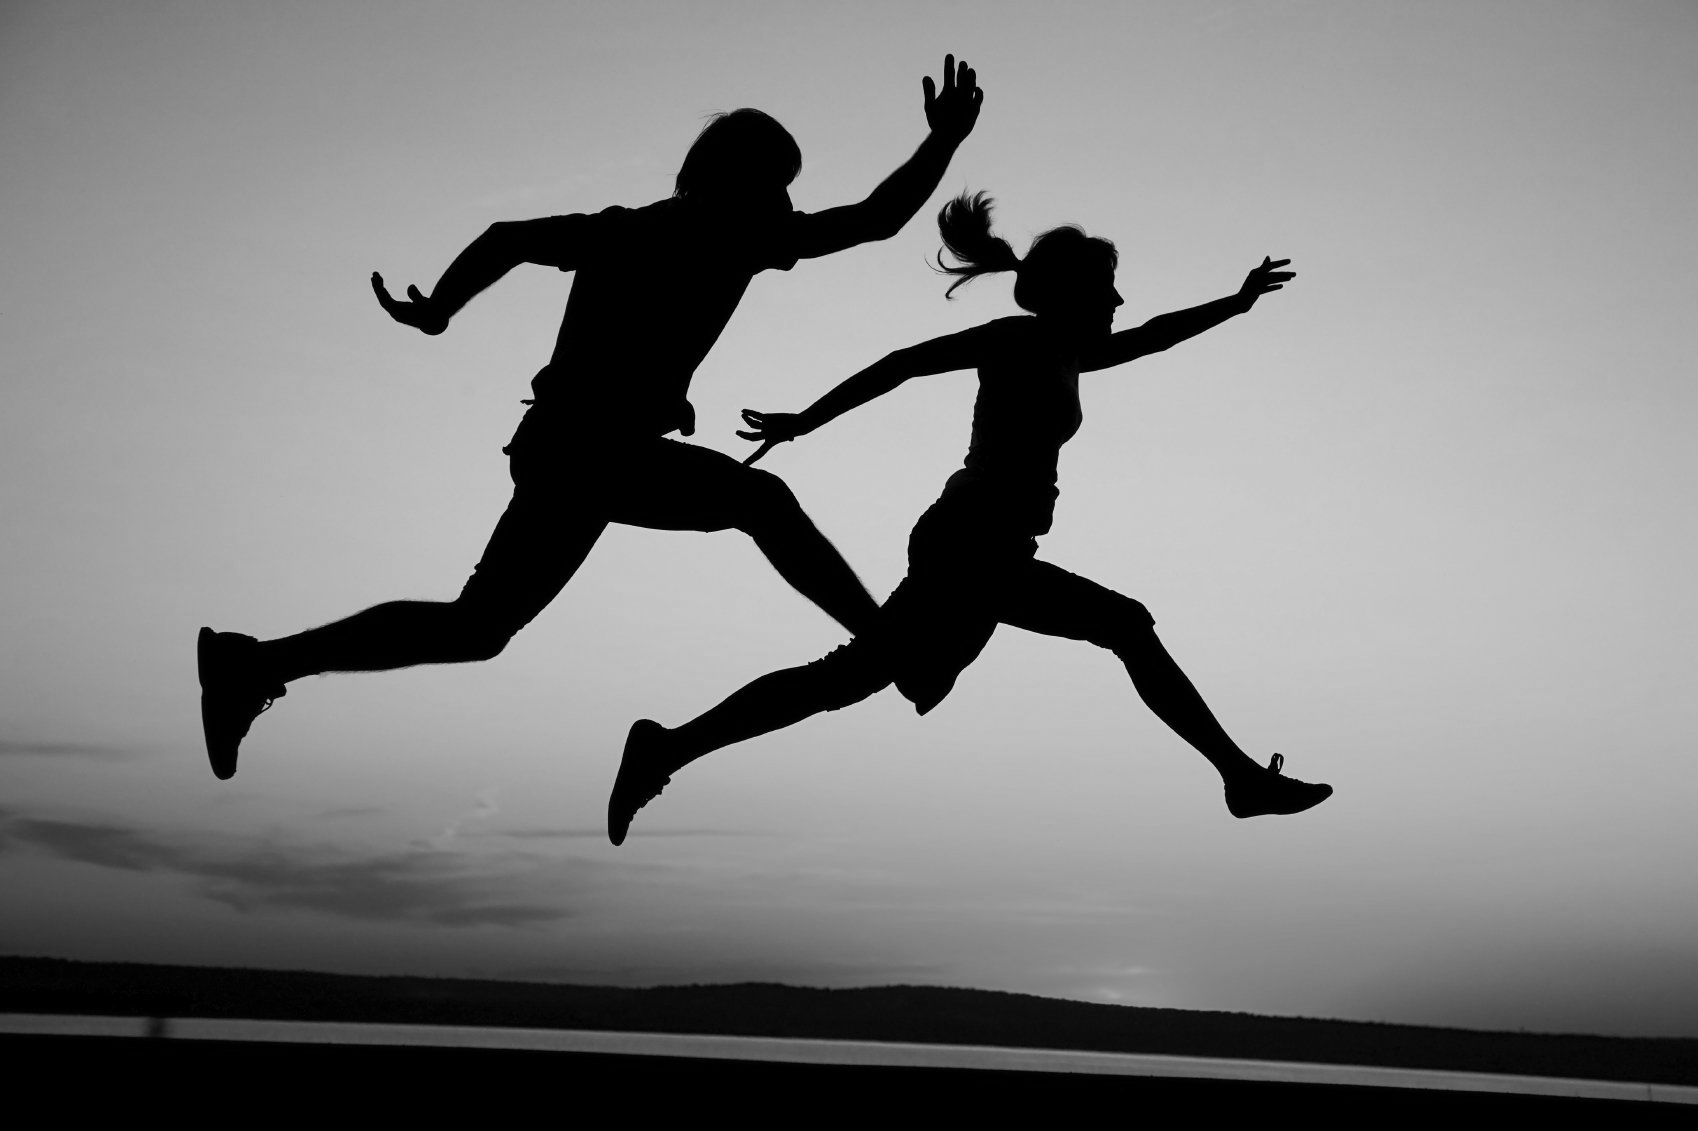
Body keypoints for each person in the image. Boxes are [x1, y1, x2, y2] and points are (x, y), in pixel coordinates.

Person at [198, 58, 985, 780]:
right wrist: (943, 141)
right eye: (778, 182)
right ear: (740, 180)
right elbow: (876, 218)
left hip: (565, 447)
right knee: (762, 501)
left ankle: (258, 662)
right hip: (595, 451)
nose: (786, 202)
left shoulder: (623, 228)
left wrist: (442, 308)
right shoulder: (736, 234)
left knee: (478, 627)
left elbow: (506, 240)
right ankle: (897, 648)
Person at [608, 191, 1332, 844]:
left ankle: (668, 747)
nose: (1118, 298)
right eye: (1107, 285)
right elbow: (902, 362)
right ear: (1073, 291)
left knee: (858, 676)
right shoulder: (1018, 340)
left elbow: (1156, 334)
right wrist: (804, 421)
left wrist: (1235, 303)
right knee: (1127, 625)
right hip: (971, 544)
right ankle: (1240, 778)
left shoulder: (1068, 353)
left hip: (990, 547)